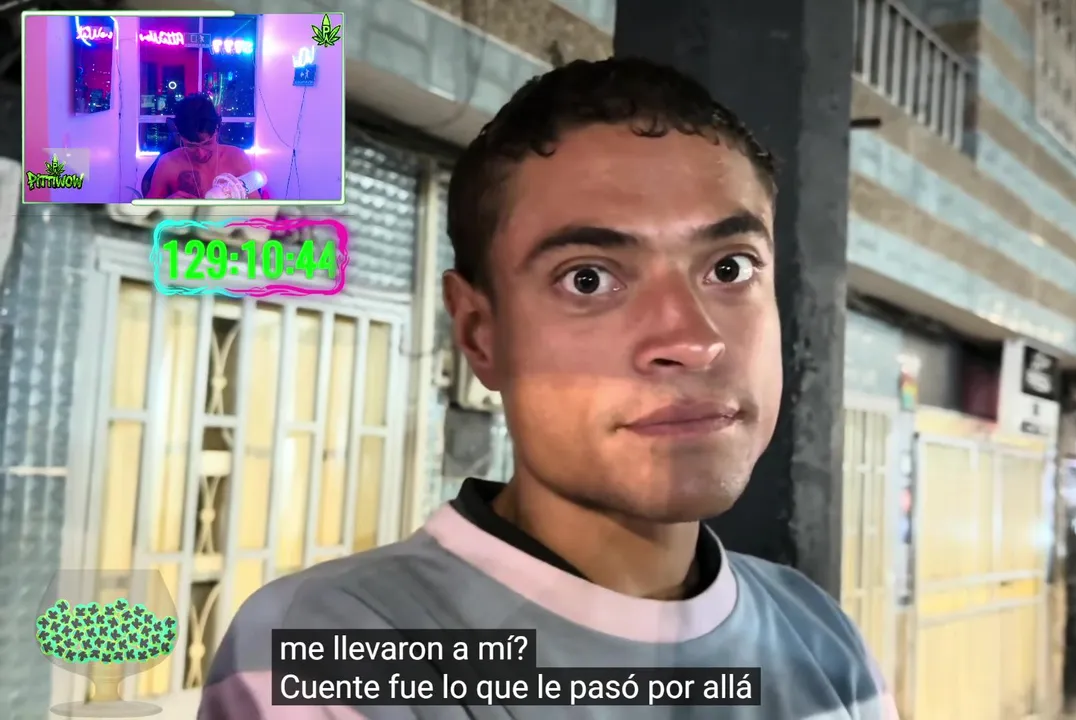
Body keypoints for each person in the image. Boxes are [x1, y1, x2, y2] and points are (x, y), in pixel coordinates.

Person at [198, 57, 896, 719]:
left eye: (731, 268)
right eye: (588, 279)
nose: (692, 339)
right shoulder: (332, 651)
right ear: (480, 334)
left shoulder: (824, 641)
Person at [144, 94, 259, 200]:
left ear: (217, 130)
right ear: (180, 136)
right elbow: (148, 211)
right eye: (190, 146)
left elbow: (257, 207)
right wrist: (168, 204)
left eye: (207, 144)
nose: (200, 153)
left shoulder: (237, 158)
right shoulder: (168, 163)